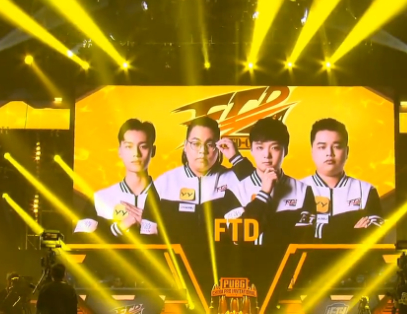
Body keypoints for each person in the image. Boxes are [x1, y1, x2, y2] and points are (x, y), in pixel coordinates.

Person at [142, 116, 254, 294]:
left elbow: (262, 189)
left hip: (225, 280)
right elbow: (147, 234)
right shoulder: (164, 183)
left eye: (210, 144)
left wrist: (236, 158)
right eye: (196, 143)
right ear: (185, 146)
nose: (202, 151)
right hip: (175, 281)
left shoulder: (233, 178)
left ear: (219, 148)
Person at [222, 118, 316, 292]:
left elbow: (303, 241)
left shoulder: (303, 191)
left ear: (285, 150)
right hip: (244, 281)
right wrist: (264, 193)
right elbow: (239, 236)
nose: (267, 155)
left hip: (287, 281)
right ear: (251, 150)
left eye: (274, 148)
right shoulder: (235, 190)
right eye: (260, 148)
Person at [301, 118, 384, 243]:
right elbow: (301, 235)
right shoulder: (298, 190)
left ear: (347, 151)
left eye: (337, 146)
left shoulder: (366, 190)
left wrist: (320, 228)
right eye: (322, 147)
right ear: (312, 151)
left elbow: (376, 234)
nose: (329, 153)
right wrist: (353, 225)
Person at [74, 119, 159, 240]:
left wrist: (148, 224)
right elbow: (80, 240)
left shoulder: (168, 199)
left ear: (153, 151)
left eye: (143, 146)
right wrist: (119, 228)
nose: (136, 153)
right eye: (129, 146)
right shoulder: (100, 198)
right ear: (120, 151)